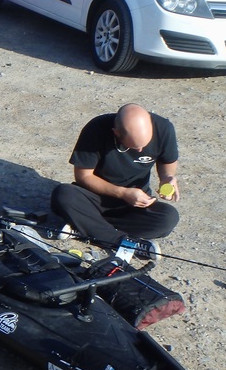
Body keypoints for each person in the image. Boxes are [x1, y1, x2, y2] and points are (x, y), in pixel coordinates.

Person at [50, 103, 180, 259]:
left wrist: (167, 178)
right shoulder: (96, 128)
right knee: (64, 195)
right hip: (95, 197)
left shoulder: (164, 128)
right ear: (116, 133)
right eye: (134, 147)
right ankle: (122, 242)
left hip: (134, 202)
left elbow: (167, 162)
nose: (140, 150)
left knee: (168, 218)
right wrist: (122, 193)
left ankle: (85, 227)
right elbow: (83, 176)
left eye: (143, 146)